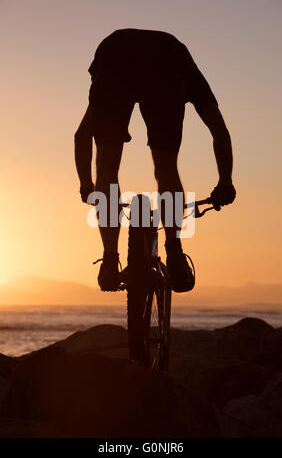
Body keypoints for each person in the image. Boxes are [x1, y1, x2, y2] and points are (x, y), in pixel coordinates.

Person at [74, 28, 236, 292]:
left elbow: (81, 136)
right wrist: (225, 181)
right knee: (166, 166)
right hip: (164, 66)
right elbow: (219, 130)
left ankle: (109, 260)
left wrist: (87, 186)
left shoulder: (113, 62)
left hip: (115, 55)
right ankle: (174, 253)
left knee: (106, 166)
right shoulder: (187, 72)